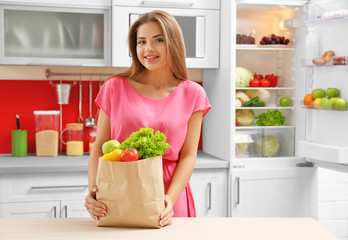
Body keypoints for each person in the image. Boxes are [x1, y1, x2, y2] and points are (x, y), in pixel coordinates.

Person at [84, 10, 211, 227]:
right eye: (141, 42)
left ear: (173, 43)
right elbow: (99, 147)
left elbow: (188, 155)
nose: (148, 49)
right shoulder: (114, 87)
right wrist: (94, 191)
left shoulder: (193, 93)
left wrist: (170, 199)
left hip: (168, 195)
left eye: (158, 40)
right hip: (121, 188)